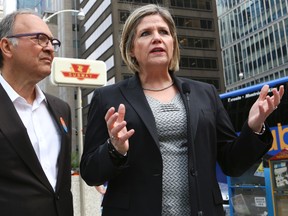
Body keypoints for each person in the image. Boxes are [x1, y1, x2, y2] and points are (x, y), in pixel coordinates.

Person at [80, 4, 284, 216]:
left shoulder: (205, 93)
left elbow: (231, 163)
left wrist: (254, 126)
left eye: (164, 32)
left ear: (173, 44)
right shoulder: (108, 98)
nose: (157, 38)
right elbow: (90, 172)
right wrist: (115, 149)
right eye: (145, 33)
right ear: (131, 48)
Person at [0, 10, 73, 216]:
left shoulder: (61, 109)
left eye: (52, 42)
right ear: (7, 47)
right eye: (40, 39)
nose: (50, 48)